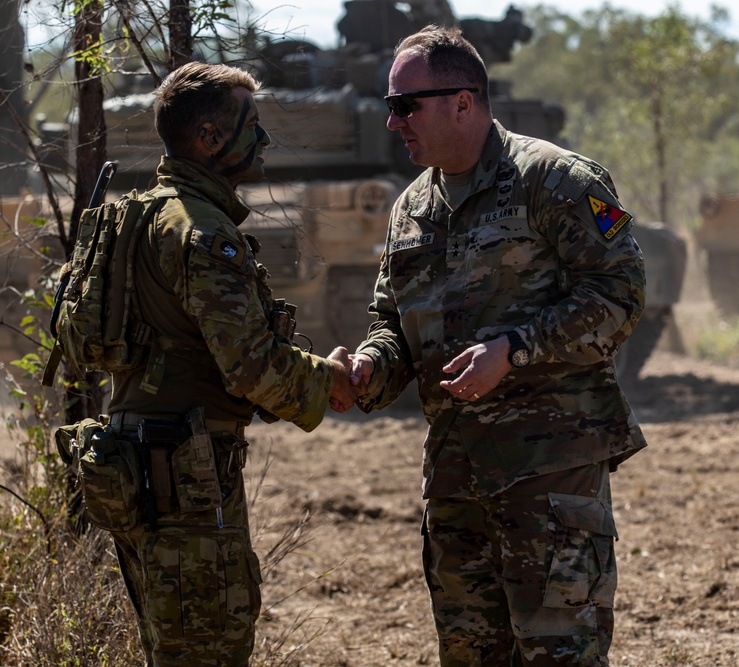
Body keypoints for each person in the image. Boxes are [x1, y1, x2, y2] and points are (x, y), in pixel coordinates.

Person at [345, 26, 648, 666]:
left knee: (559, 655)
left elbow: (618, 296)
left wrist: (514, 348)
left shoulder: (556, 180)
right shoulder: (410, 209)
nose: (393, 120)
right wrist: (372, 364)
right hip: (455, 479)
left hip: (549, 473)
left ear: (463, 102)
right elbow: (392, 322)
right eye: (389, 105)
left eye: (406, 104)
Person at [101, 61, 358, 666]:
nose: (266, 140)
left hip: (135, 463)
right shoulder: (202, 233)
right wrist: (333, 380)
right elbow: (251, 368)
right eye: (254, 124)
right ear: (211, 139)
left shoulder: (140, 215)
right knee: (208, 647)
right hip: (186, 476)